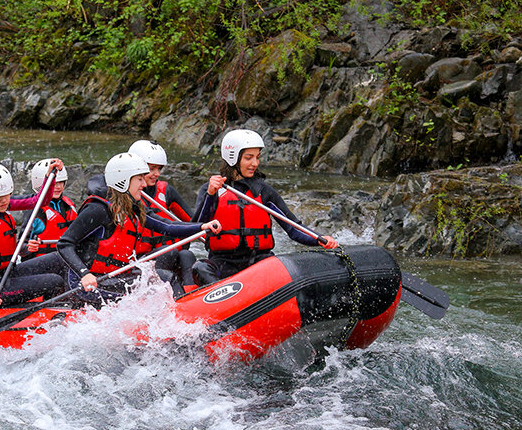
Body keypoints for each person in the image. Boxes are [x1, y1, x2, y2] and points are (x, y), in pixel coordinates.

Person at [57, 152, 221, 302]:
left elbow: (167, 226)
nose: (144, 184)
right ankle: (182, 316)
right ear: (124, 180)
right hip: (86, 284)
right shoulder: (98, 210)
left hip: (113, 277)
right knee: (165, 280)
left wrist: (202, 226)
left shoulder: (133, 208)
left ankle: (185, 311)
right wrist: (84, 274)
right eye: (139, 179)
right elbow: (64, 244)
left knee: (164, 277)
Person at [192, 129, 339, 285]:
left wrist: (318, 239)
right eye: (249, 158)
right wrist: (210, 195)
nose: (255, 163)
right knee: (199, 267)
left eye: (257, 157)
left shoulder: (264, 191)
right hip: (223, 264)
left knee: (281, 264)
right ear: (233, 158)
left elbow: (293, 228)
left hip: (259, 263)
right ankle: (223, 299)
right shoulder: (212, 190)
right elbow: (197, 227)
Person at [0, 161, 67, 311]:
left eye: (7, 195)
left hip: (6, 274)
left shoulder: (0, 204)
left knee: (59, 258)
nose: (4, 201)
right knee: (53, 281)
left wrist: (50, 176)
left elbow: (40, 201)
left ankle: (59, 307)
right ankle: (48, 316)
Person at [128, 139, 197, 288]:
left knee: (186, 255)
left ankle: (191, 293)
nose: (156, 174)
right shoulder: (126, 196)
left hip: (166, 255)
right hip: (137, 263)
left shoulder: (166, 191)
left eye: (159, 169)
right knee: (169, 252)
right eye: (152, 169)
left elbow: (193, 221)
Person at [20, 158, 77, 258]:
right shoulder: (35, 209)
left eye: (61, 182)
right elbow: (20, 247)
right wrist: (28, 248)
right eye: (54, 183)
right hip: (41, 262)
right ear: (40, 183)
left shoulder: (68, 205)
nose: (58, 187)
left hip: (66, 258)